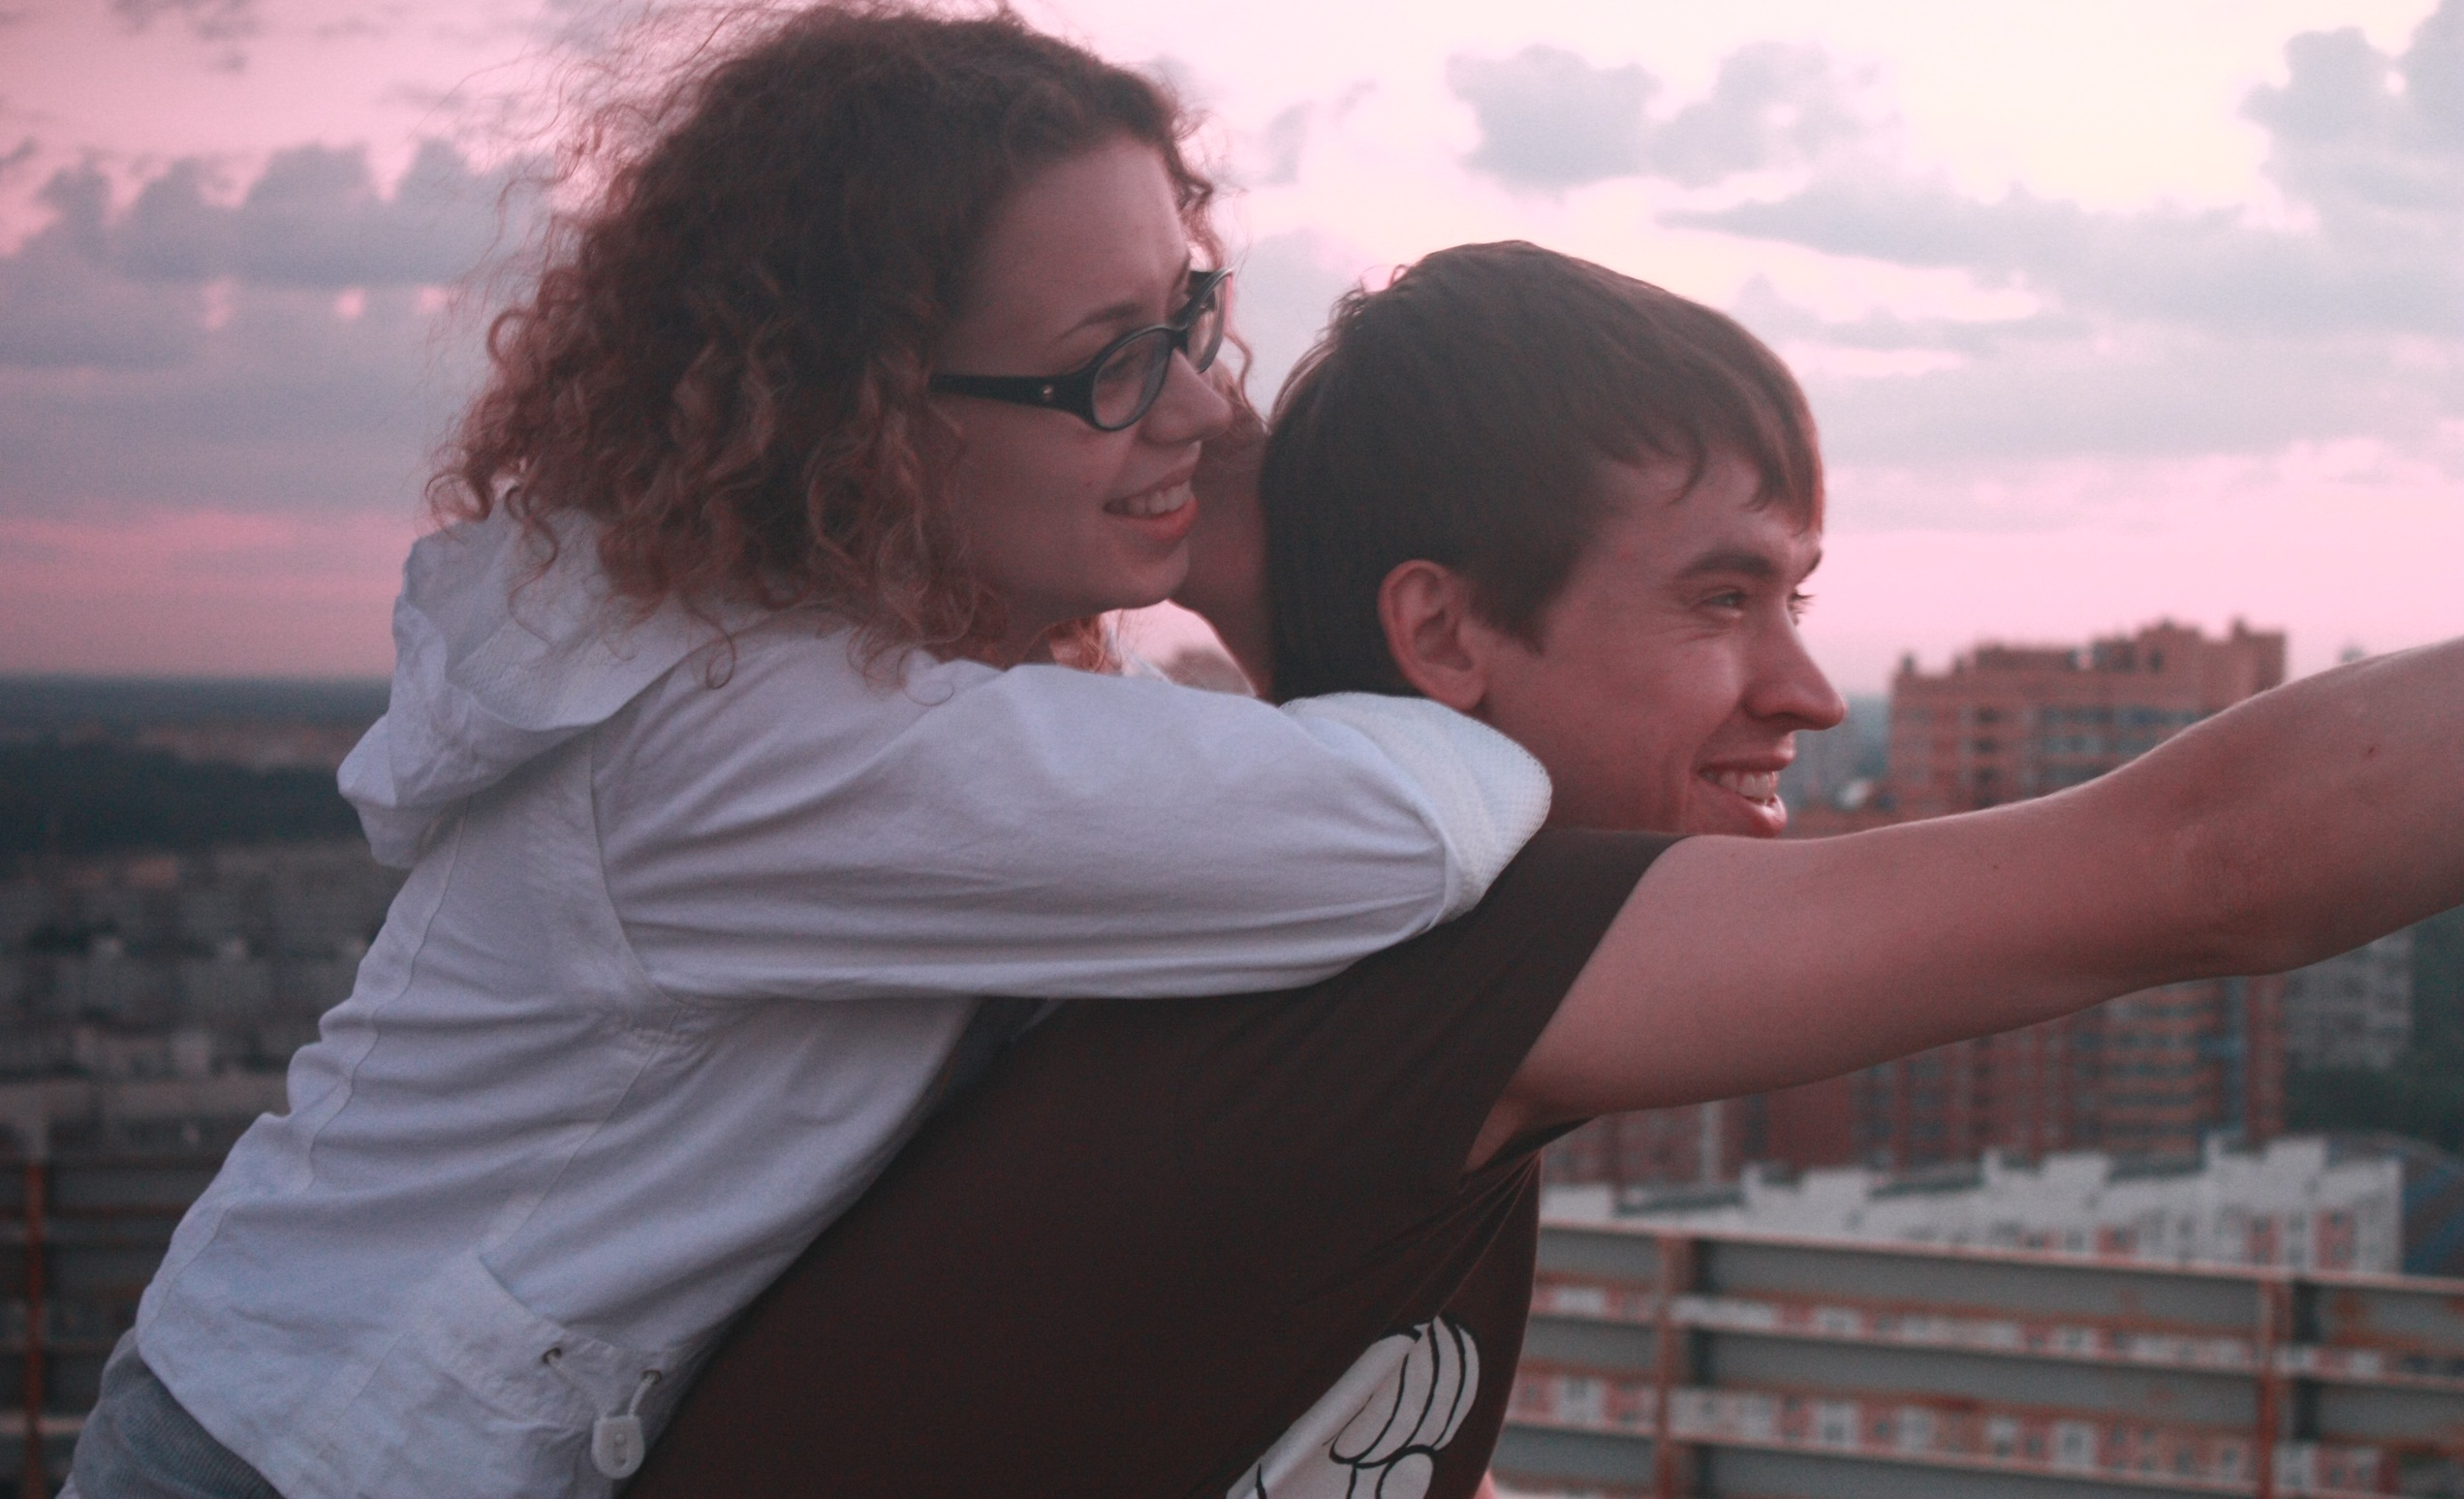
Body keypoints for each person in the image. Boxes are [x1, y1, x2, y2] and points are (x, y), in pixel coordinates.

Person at [58, 0, 1577, 1499]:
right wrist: (1264, 582)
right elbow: (1407, 830)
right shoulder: (753, 739)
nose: (1198, 409)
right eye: (1111, 359)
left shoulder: (883, 687)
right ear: (871, 414)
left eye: (1187, 317)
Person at [627, 242, 2464, 1499]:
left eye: (1796, 601)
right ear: (1439, 631)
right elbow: (2212, 862)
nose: (1811, 692)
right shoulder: (1446, 956)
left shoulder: (1293, 939)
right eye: (1723, 598)